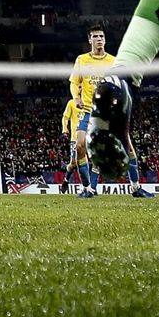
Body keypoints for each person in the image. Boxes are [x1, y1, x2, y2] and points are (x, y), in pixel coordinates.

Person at [70, 25, 115, 197]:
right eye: (95, 36)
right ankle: (87, 186)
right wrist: (76, 97)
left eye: (101, 36)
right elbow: (74, 82)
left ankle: (91, 188)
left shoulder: (113, 61)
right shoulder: (82, 60)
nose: (99, 39)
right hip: (87, 110)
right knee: (80, 146)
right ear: (90, 40)